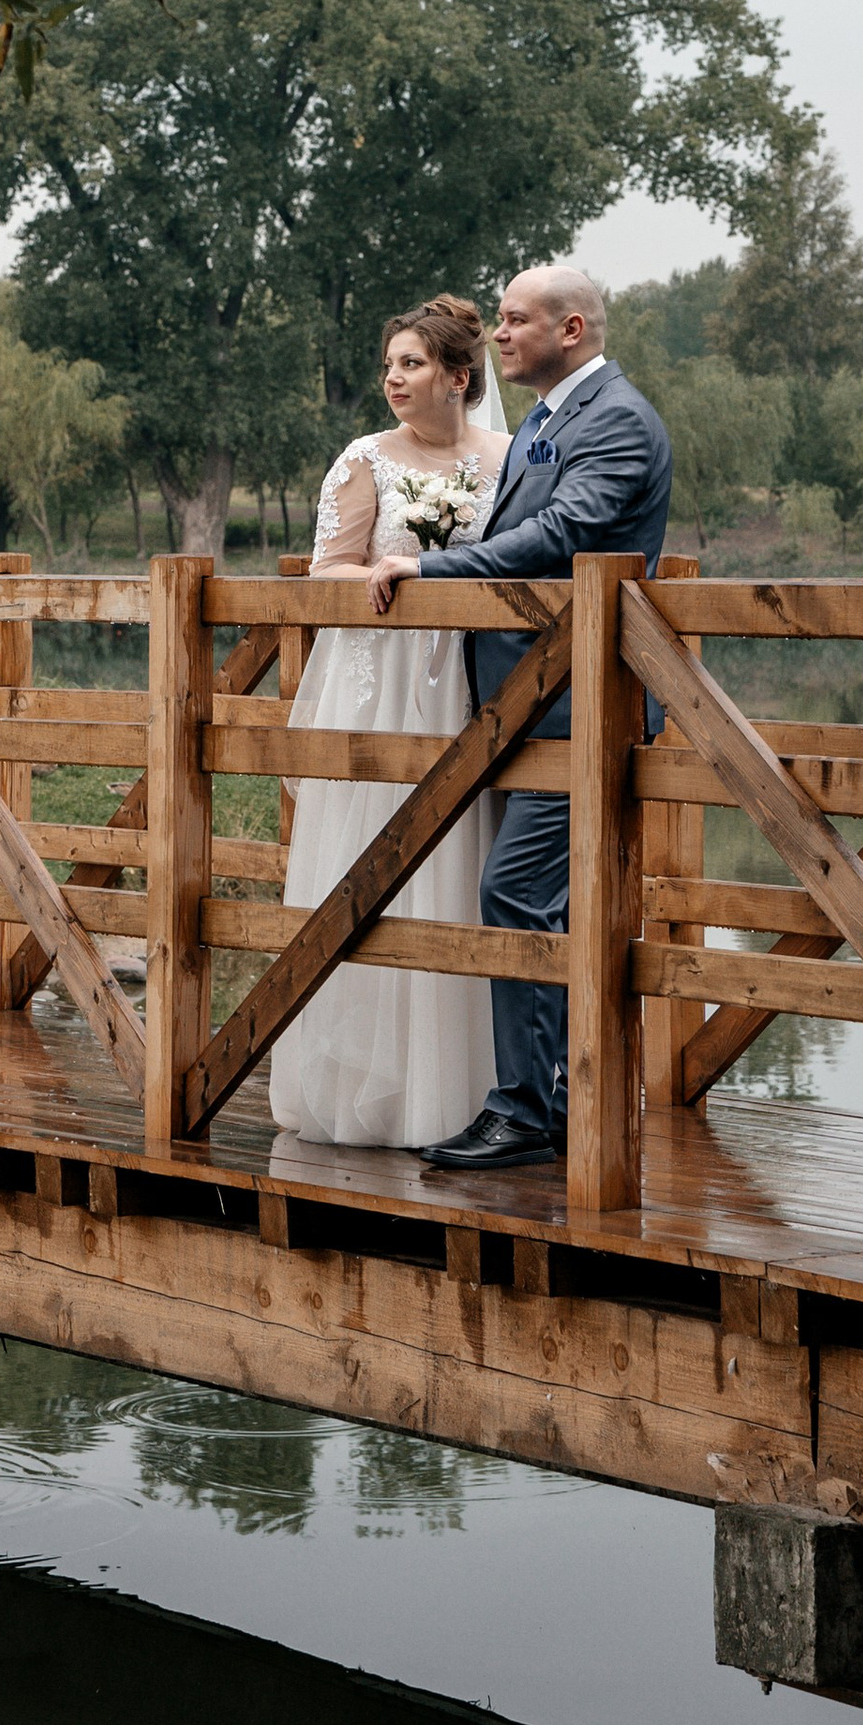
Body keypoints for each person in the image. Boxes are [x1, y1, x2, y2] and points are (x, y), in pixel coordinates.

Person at [367, 261, 671, 1171]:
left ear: (570, 329)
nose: (498, 335)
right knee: (547, 900)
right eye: (497, 322)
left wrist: (433, 569)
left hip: (580, 699)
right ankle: (561, 1096)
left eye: (515, 320)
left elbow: (567, 533)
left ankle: (527, 1111)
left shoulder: (614, 417)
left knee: (515, 892)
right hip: (527, 697)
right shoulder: (547, 417)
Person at [270, 296, 512, 1147]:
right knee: (371, 863)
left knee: (460, 866)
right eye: (388, 366)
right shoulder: (364, 459)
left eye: (410, 364)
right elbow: (322, 573)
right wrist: (384, 580)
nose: (393, 380)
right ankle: (359, 1087)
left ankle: (458, 1094)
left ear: (458, 375)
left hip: (470, 687)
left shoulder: (508, 458)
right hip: (380, 684)